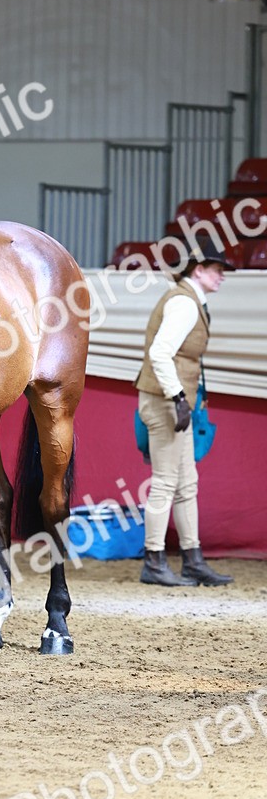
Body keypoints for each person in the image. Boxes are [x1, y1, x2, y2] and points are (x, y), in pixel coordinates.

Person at [135, 237, 235, 587]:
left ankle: (192, 558)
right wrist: (178, 397)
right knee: (165, 482)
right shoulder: (184, 303)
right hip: (168, 402)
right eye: (217, 270)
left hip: (176, 402)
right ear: (199, 269)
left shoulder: (189, 299)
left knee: (186, 482)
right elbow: (161, 353)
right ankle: (154, 560)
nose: (222, 276)